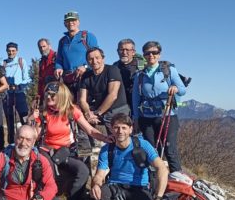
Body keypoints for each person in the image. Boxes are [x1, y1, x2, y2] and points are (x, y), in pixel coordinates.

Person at [30, 82, 112, 200]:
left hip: (66, 151)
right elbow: (34, 136)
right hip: (46, 151)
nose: (49, 98)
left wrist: (105, 138)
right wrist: (31, 120)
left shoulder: (71, 110)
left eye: (52, 95)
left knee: (83, 171)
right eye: (47, 95)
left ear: (61, 96)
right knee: (47, 173)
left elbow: (89, 129)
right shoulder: (44, 113)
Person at [132, 41, 187, 173]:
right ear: (144, 55)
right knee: (151, 150)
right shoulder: (139, 75)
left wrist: (175, 88)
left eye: (154, 52)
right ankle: (152, 179)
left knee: (169, 149)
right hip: (146, 118)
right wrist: (136, 118)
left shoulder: (169, 71)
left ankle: (177, 179)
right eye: (147, 53)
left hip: (168, 115)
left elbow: (182, 89)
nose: (151, 55)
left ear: (159, 55)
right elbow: (135, 98)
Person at [79, 47, 131, 135]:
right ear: (87, 61)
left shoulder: (112, 70)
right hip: (100, 112)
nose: (94, 61)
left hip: (117, 111)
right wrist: (88, 113)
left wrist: (97, 113)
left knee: (121, 139)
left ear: (103, 58)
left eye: (97, 58)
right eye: (90, 59)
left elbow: (112, 95)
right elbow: (82, 100)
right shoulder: (86, 76)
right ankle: (88, 147)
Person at [54, 11, 99, 98]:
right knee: (67, 108)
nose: (71, 23)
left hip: (85, 78)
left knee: (82, 106)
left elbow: (97, 57)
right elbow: (59, 59)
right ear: (64, 24)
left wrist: (85, 67)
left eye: (73, 20)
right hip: (67, 80)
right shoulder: (62, 41)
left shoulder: (88, 36)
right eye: (68, 21)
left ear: (78, 22)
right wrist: (58, 68)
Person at [3, 42, 31, 144]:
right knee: (10, 120)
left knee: (24, 118)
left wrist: (19, 86)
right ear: (6, 51)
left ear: (17, 51)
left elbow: (27, 78)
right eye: (9, 51)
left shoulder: (21, 61)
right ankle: (11, 143)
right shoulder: (4, 63)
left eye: (13, 51)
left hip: (19, 93)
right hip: (8, 94)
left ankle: (28, 140)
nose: (11, 53)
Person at [113, 39, 145, 114]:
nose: (124, 53)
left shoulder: (142, 65)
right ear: (117, 51)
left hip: (139, 104)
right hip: (121, 105)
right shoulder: (114, 66)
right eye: (121, 50)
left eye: (127, 50)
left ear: (133, 52)